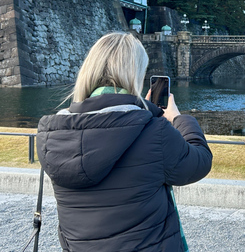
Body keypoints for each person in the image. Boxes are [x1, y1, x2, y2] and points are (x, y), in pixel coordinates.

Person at [36, 32, 212, 251]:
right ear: (134, 74)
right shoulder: (154, 132)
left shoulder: (54, 132)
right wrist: (178, 118)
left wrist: (143, 111)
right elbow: (199, 162)